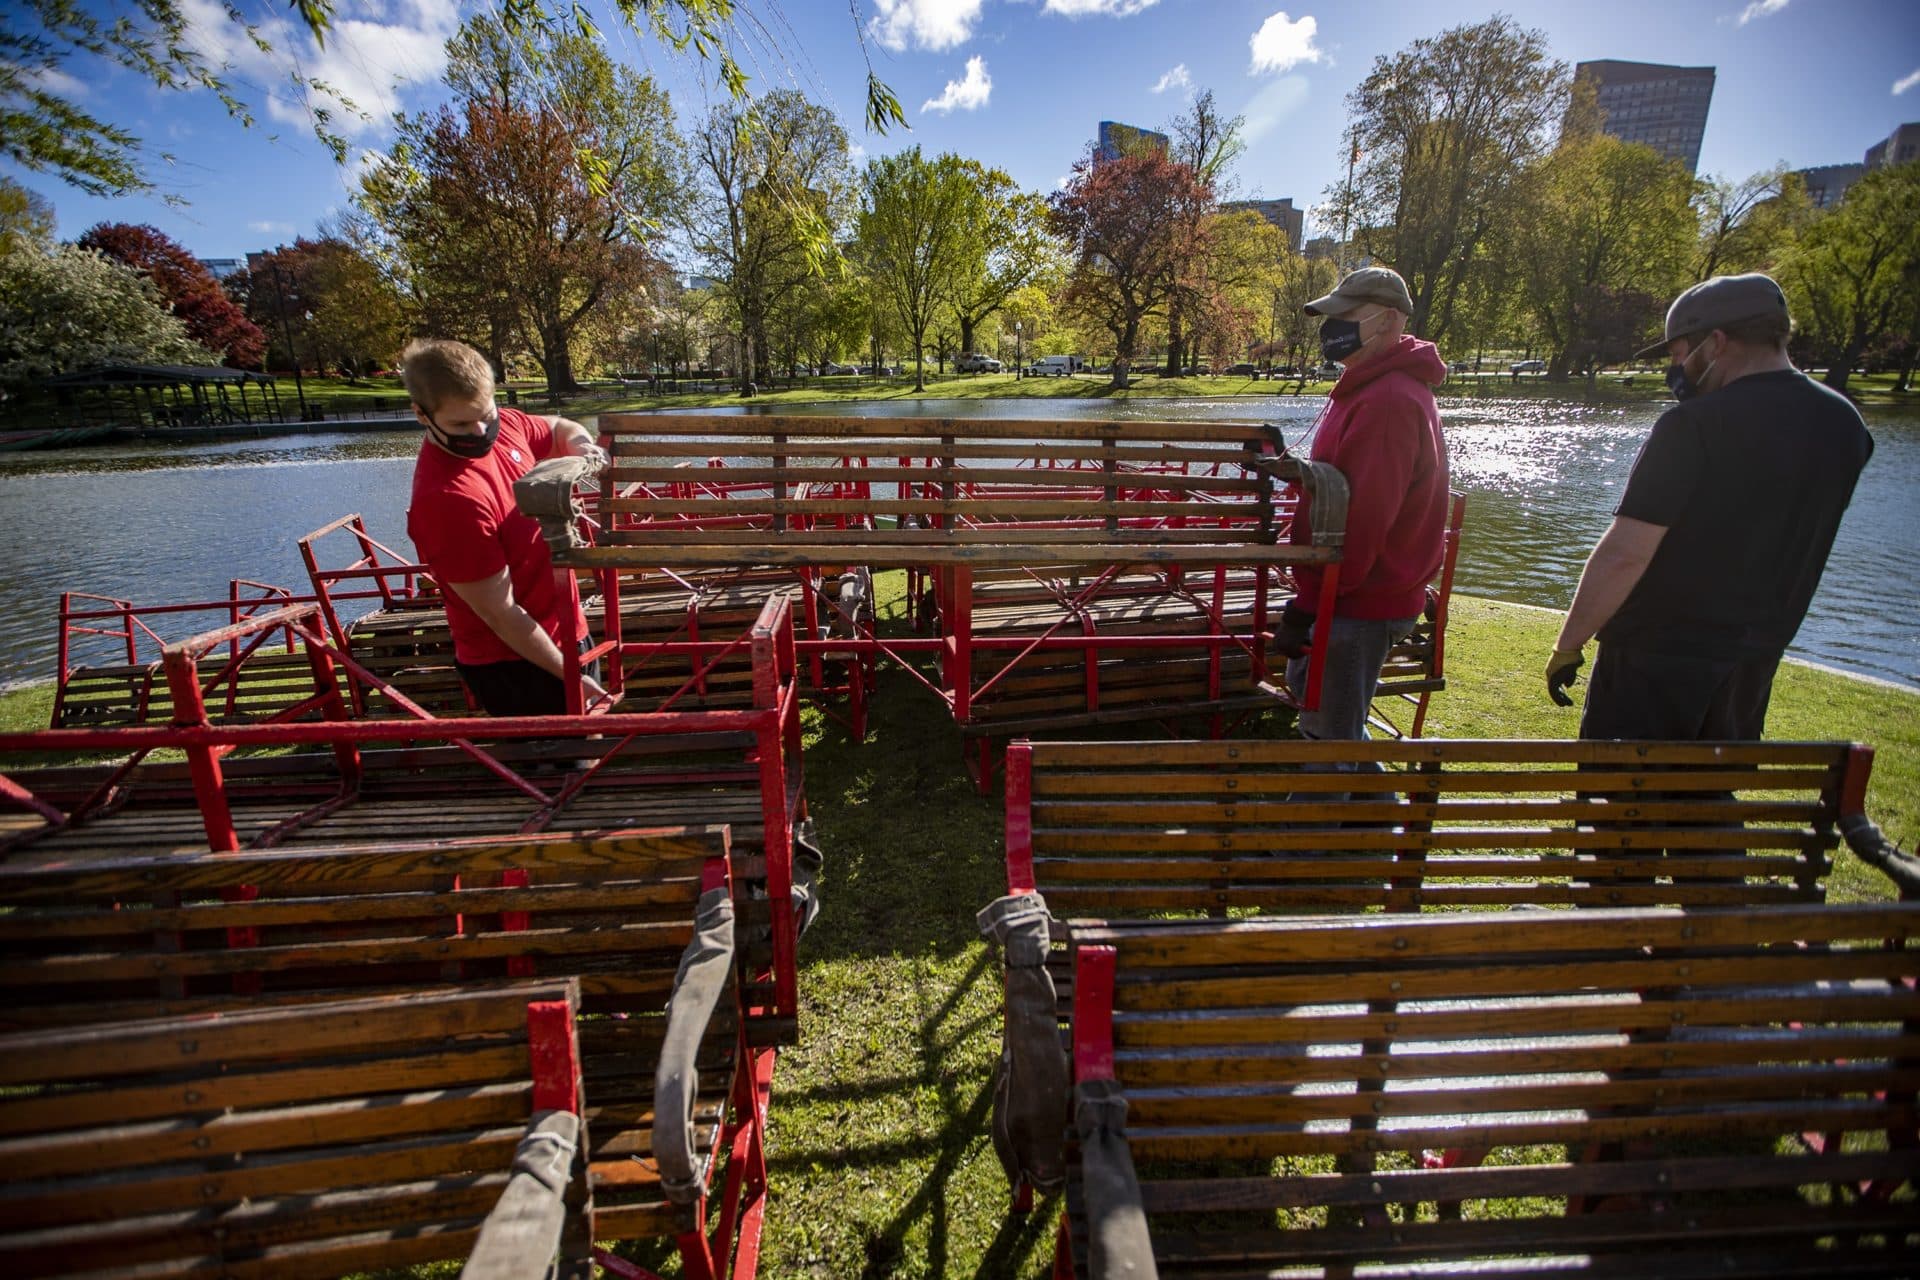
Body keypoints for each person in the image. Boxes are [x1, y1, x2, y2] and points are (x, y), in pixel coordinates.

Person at [1545, 273, 1873, 739]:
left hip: (1654, 663)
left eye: (1680, 354)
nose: (1677, 369)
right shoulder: (1845, 426)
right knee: (1708, 793)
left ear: (1716, 342)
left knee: (1620, 801)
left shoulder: (1692, 425)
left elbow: (1626, 554)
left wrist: (1568, 645)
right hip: (1752, 663)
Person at [1278, 266, 1451, 752]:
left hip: (1361, 599)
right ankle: (1389, 815)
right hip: (1352, 594)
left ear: (1389, 320)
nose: (1332, 329)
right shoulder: (1368, 388)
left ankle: (1320, 825)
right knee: (1338, 730)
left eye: (1346, 316)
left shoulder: (1388, 400)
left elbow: (1365, 519)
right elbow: (1345, 488)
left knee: (1328, 743)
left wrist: (1307, 606)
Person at [402, 338, 609, 716]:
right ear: (421, 415)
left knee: (591, 751)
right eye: (461, 423)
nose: (480, 431)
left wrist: (581, 446)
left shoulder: (506, 426)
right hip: (515, 662)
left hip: (565, 631)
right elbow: (502, 614)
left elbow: (559, 427)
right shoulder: (447, 500)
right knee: (557, 770)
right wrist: (571, 676)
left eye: (486, 412)